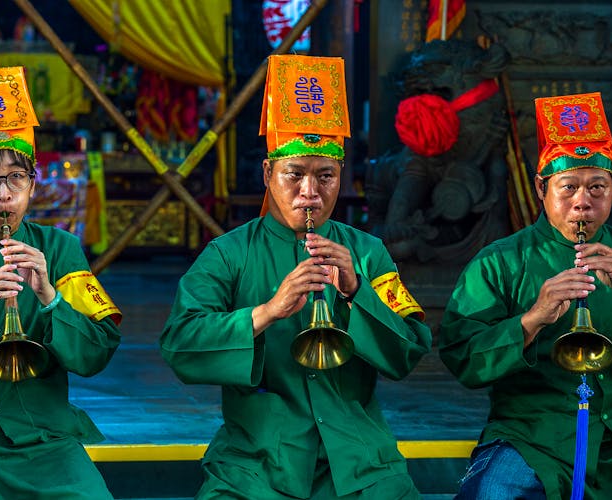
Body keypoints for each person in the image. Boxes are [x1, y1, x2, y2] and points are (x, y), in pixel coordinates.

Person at [160, 54, 432, 499]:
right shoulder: (227, 254)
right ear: (268, 174)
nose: (310, 193)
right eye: (294, 175)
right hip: (257, 461)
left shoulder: (366, 252)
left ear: (341, 176)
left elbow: (408, 351)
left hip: (359, 461)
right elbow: (178, 344)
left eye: (325, 176)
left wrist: (356, 292)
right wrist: (266, 313)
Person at [438, 91, 612, 499]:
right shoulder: (500, 261)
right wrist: (532, 319)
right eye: (568, 187)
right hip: (531, 434)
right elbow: (462, 360)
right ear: (542, 188)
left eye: (597, 187)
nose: (582, 203)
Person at [0, 66, 122, 499]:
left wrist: (49, 297)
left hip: (44, 442)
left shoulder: (61, 249)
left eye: (16, 177)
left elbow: (97, 351)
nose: (4, 194)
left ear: (33, 184)